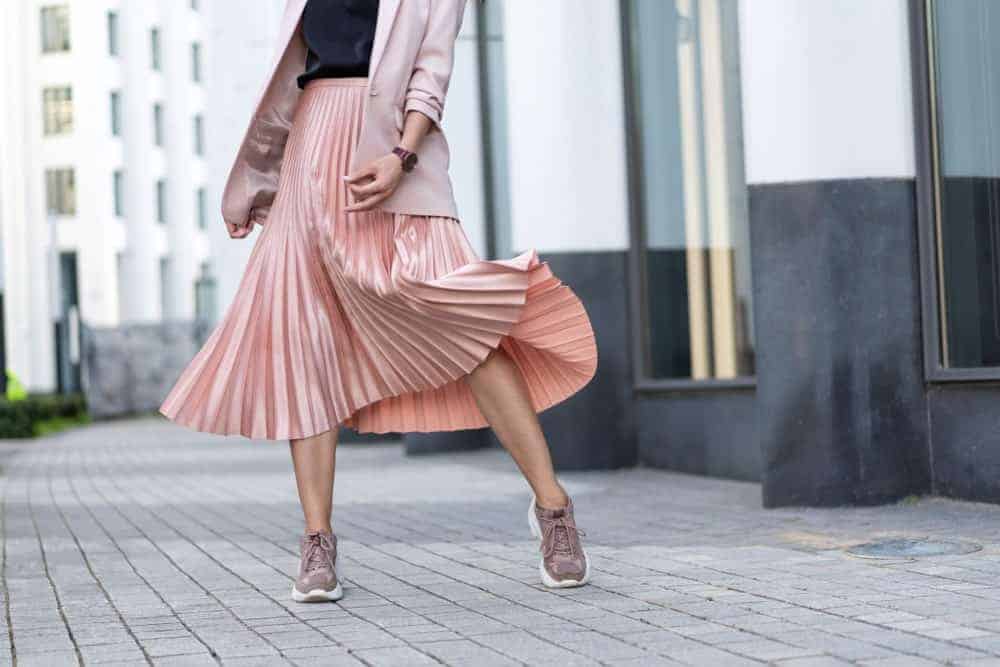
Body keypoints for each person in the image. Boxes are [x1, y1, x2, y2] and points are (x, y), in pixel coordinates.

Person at [160, 0, 598, 602]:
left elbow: (431, 72)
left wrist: (401, 156)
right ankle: (317, 540)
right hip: (313, 158)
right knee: (304, 337)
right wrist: (262, 183)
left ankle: (553, 508)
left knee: (466, 326)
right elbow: (294, 74)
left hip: (393, 150)